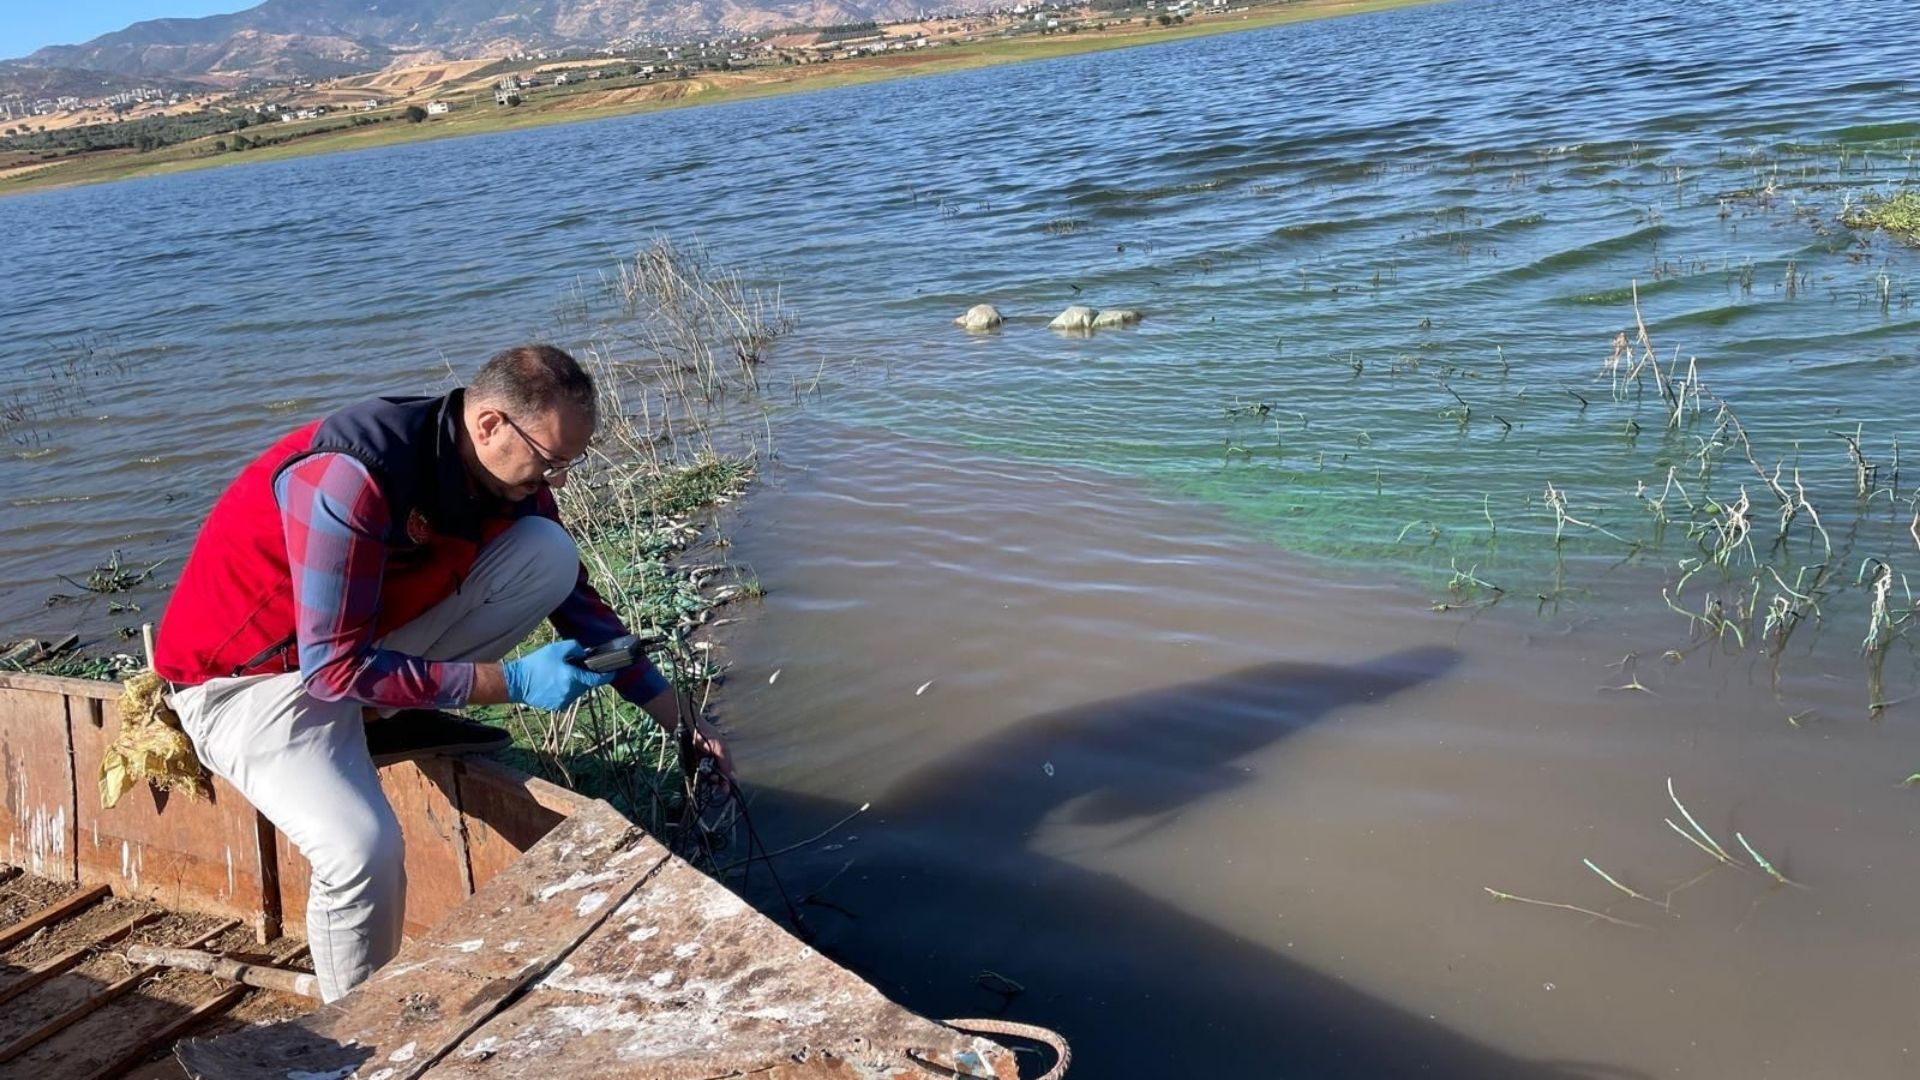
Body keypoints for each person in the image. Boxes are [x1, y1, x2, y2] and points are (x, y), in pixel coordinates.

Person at [155, 343, 730, 1001]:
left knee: (548, 553)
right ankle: (355, 1027)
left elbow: (580, 608)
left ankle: (378, 720)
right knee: (361, 851)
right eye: (550, 461)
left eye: (569, 465)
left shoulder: (504, 478)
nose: (558, 481)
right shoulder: (353, 476)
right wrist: (512, 684)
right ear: (489, 424)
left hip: (352, 660)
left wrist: (685, 723)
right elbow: (332, 671)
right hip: (248, 686)